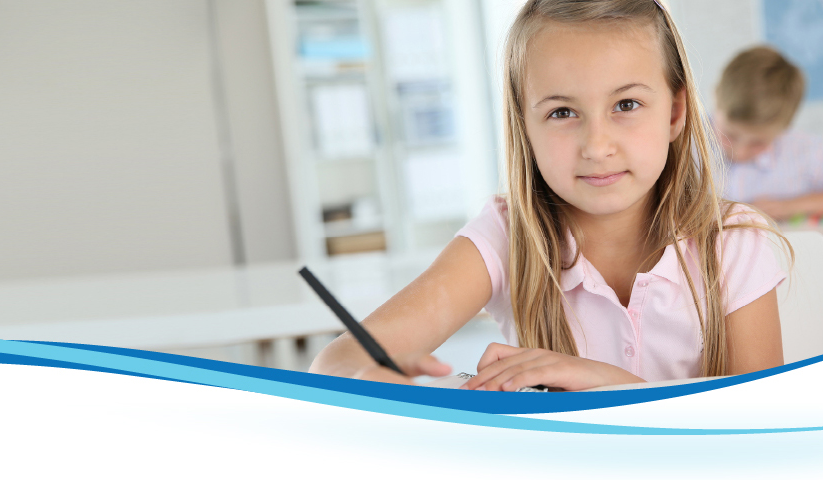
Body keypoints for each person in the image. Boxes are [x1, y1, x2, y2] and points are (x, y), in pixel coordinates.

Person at [309, 0, 792, 392]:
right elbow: (336, 362)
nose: (597, 146)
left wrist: (608, 384)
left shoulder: (730, 243)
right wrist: (373, 380)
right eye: (562, 112)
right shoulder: (505, 237)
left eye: (626, 104)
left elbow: (758, 430)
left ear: (674, 113)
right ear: (526, 126)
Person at [714, 46, 823, 221]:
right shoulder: (684, 143)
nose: (740, 152)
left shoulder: (806, 150)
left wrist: (788, 206)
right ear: (715, 98)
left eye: (758, 143)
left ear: (783, 129)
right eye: (730, 135)